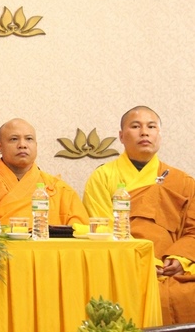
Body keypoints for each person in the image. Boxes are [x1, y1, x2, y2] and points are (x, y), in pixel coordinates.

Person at [83, 106, 195, 325]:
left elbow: (193, 230)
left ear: (159, 134)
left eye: (151, 127)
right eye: (135, 126)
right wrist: (145, 260)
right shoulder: (102, 177)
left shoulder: (182, 181)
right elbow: (102, 228)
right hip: (125, 264)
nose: (144, 132)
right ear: (121, 136)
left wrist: (180, 259)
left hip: (173, 268)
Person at [0, 118, 88, 226]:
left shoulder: (60, 190)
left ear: (36, 145)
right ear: (0, 147)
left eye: (29, 139)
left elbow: (80, 234)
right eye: (14, 139)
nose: (22, 145)